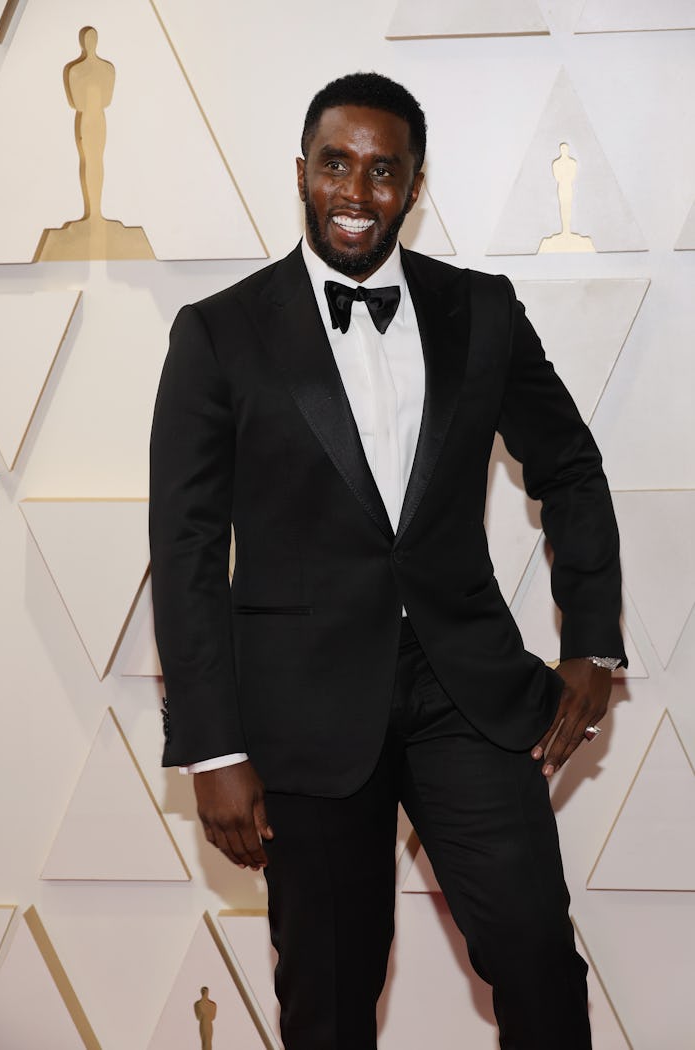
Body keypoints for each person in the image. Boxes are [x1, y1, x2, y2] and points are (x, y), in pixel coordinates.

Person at [150, 72, 626, 1050]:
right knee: (329, 993)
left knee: (537, 950)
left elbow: (569, 468)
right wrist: (214, 747)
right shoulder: (219, 332)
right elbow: (186, 546)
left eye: (381, 171)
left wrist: (593, 643)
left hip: (465, 689)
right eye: (335, 165)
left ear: (414, 188)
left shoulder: (480, 312)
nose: (355, 193)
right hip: (302, 708)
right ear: (300, 172)